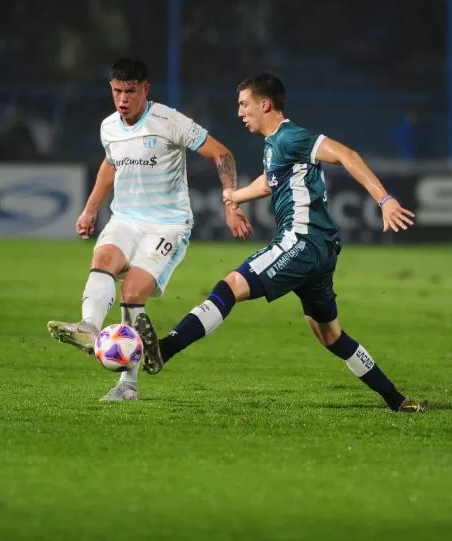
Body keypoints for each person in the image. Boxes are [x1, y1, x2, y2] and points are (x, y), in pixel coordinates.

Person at [132, 72, 423, 413]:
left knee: (228, 288)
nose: (240, 112)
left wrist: (384, 199)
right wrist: (234, 198)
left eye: (244, 104)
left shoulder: (290, 137)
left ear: (265, 104)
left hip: (302, 240)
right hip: (322, 249)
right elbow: (270, 183)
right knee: (330, 335)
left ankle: (164, 350)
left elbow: (346, 154)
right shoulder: (275, 146)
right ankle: (396, 399)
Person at [46, 58, 251, 401]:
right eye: (116, 91)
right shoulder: (109, 127)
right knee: (103, 259)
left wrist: (232, 205)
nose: (122, 99)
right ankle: (88, 327)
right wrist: (90, 209)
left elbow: (222, 154)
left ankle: (128, 384)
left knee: (132, 294)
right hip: (125, 218)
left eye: (130, 91)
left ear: (145, 89)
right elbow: (110, 164)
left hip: (168, 225)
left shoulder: (168, 121)